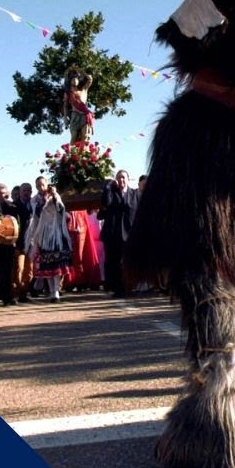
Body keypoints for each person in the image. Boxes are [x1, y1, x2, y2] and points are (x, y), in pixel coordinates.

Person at [28, 184, 73, 302]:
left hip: (56, 235)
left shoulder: (55, 197)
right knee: (47, 264)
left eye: (43, 185)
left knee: (57, 264)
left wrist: (54, 196)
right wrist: (43, 202)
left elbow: (61, 210)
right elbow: (36, 213)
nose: (41, 187)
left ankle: (56, 291)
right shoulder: (35, 200)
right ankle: (52, 291)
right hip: (44, 234)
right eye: (39, 185)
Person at [98, 169, 136, 297]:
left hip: (129, 233)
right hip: (113, 234)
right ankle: (117, 289)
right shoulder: (111, 192)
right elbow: (106, 204)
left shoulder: (134, 194)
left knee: (128, 261)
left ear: (128, 179)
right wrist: (108, 186)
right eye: (119, 178)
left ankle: (129, 287)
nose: (121, 180)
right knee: (113, 262)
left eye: (124, 178)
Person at [0, 183, 20, 306]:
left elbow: (17, 224)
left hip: (7, 244)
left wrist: (15, 240)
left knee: (8, 271)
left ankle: (7, 296)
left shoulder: (12, 207)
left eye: (3, 194)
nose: (1, 196)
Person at [13, 183, 35, 302]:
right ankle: (17, 293)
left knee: (29, 270)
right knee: (18, 269)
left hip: (32, 242)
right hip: (19, 242)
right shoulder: (14, 206)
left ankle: (25, 292)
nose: (27, 193)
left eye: (29, 190)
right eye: (24, 190)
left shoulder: (34, 204)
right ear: (20, 192)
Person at [63, 68, 95, 144]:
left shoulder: (83, 90)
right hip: (75, 115)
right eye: (73, 79)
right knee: (73, 136)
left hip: (85, 115)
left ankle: (83, 154)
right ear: (70, 81)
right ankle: (71, 154)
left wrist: (83, 72)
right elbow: (65, 106)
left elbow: (90, 80)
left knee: (85, 136)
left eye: (76, 79)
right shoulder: (68, 93)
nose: (75, 80)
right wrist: (65, 117)